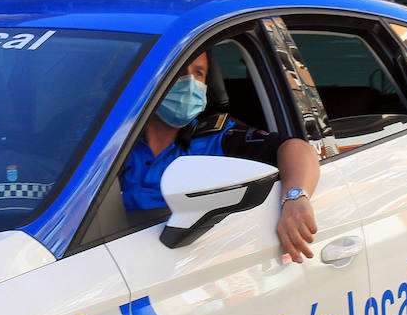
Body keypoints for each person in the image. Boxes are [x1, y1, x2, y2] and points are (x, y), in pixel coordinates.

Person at [120, 51, 321, 262]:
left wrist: (296, 197)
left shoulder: (218, 139)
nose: (190, 83)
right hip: (113, 255)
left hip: (182, 258)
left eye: (198, 74)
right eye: (179, 72)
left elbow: (298, 149)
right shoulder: (113, 141)